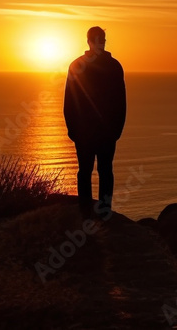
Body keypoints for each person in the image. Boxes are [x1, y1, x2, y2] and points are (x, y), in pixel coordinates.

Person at [63, 26, 127, 216]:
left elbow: (120, 102)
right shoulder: (81, 66)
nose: (100, 42)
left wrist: (116, 130)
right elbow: (70, 101)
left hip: (100, 132)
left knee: (100, 171)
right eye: (97, 39)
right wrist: (72, 129)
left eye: (102, 39)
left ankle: (98, 211)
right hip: (89, 131)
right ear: (89, 41)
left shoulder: (112, 66)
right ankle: (92, 211)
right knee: (90, 171)